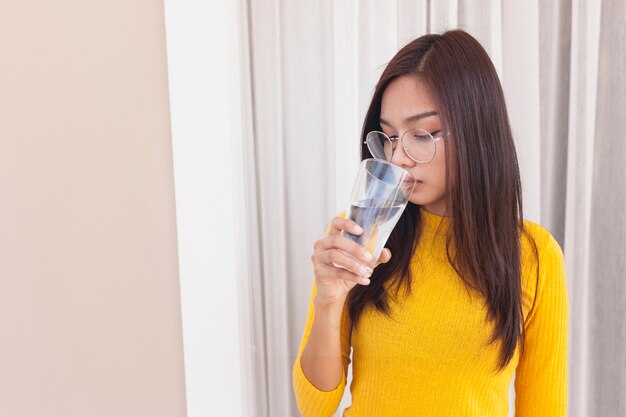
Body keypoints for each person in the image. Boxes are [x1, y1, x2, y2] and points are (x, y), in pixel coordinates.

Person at [292, 29, 568, 417]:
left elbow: (544, 409)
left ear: (476, 130)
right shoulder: (360, 233)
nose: (399, 157)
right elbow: (314, 406)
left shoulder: (534, 255)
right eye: (388, 136)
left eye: (421, 134)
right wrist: (328, 301)